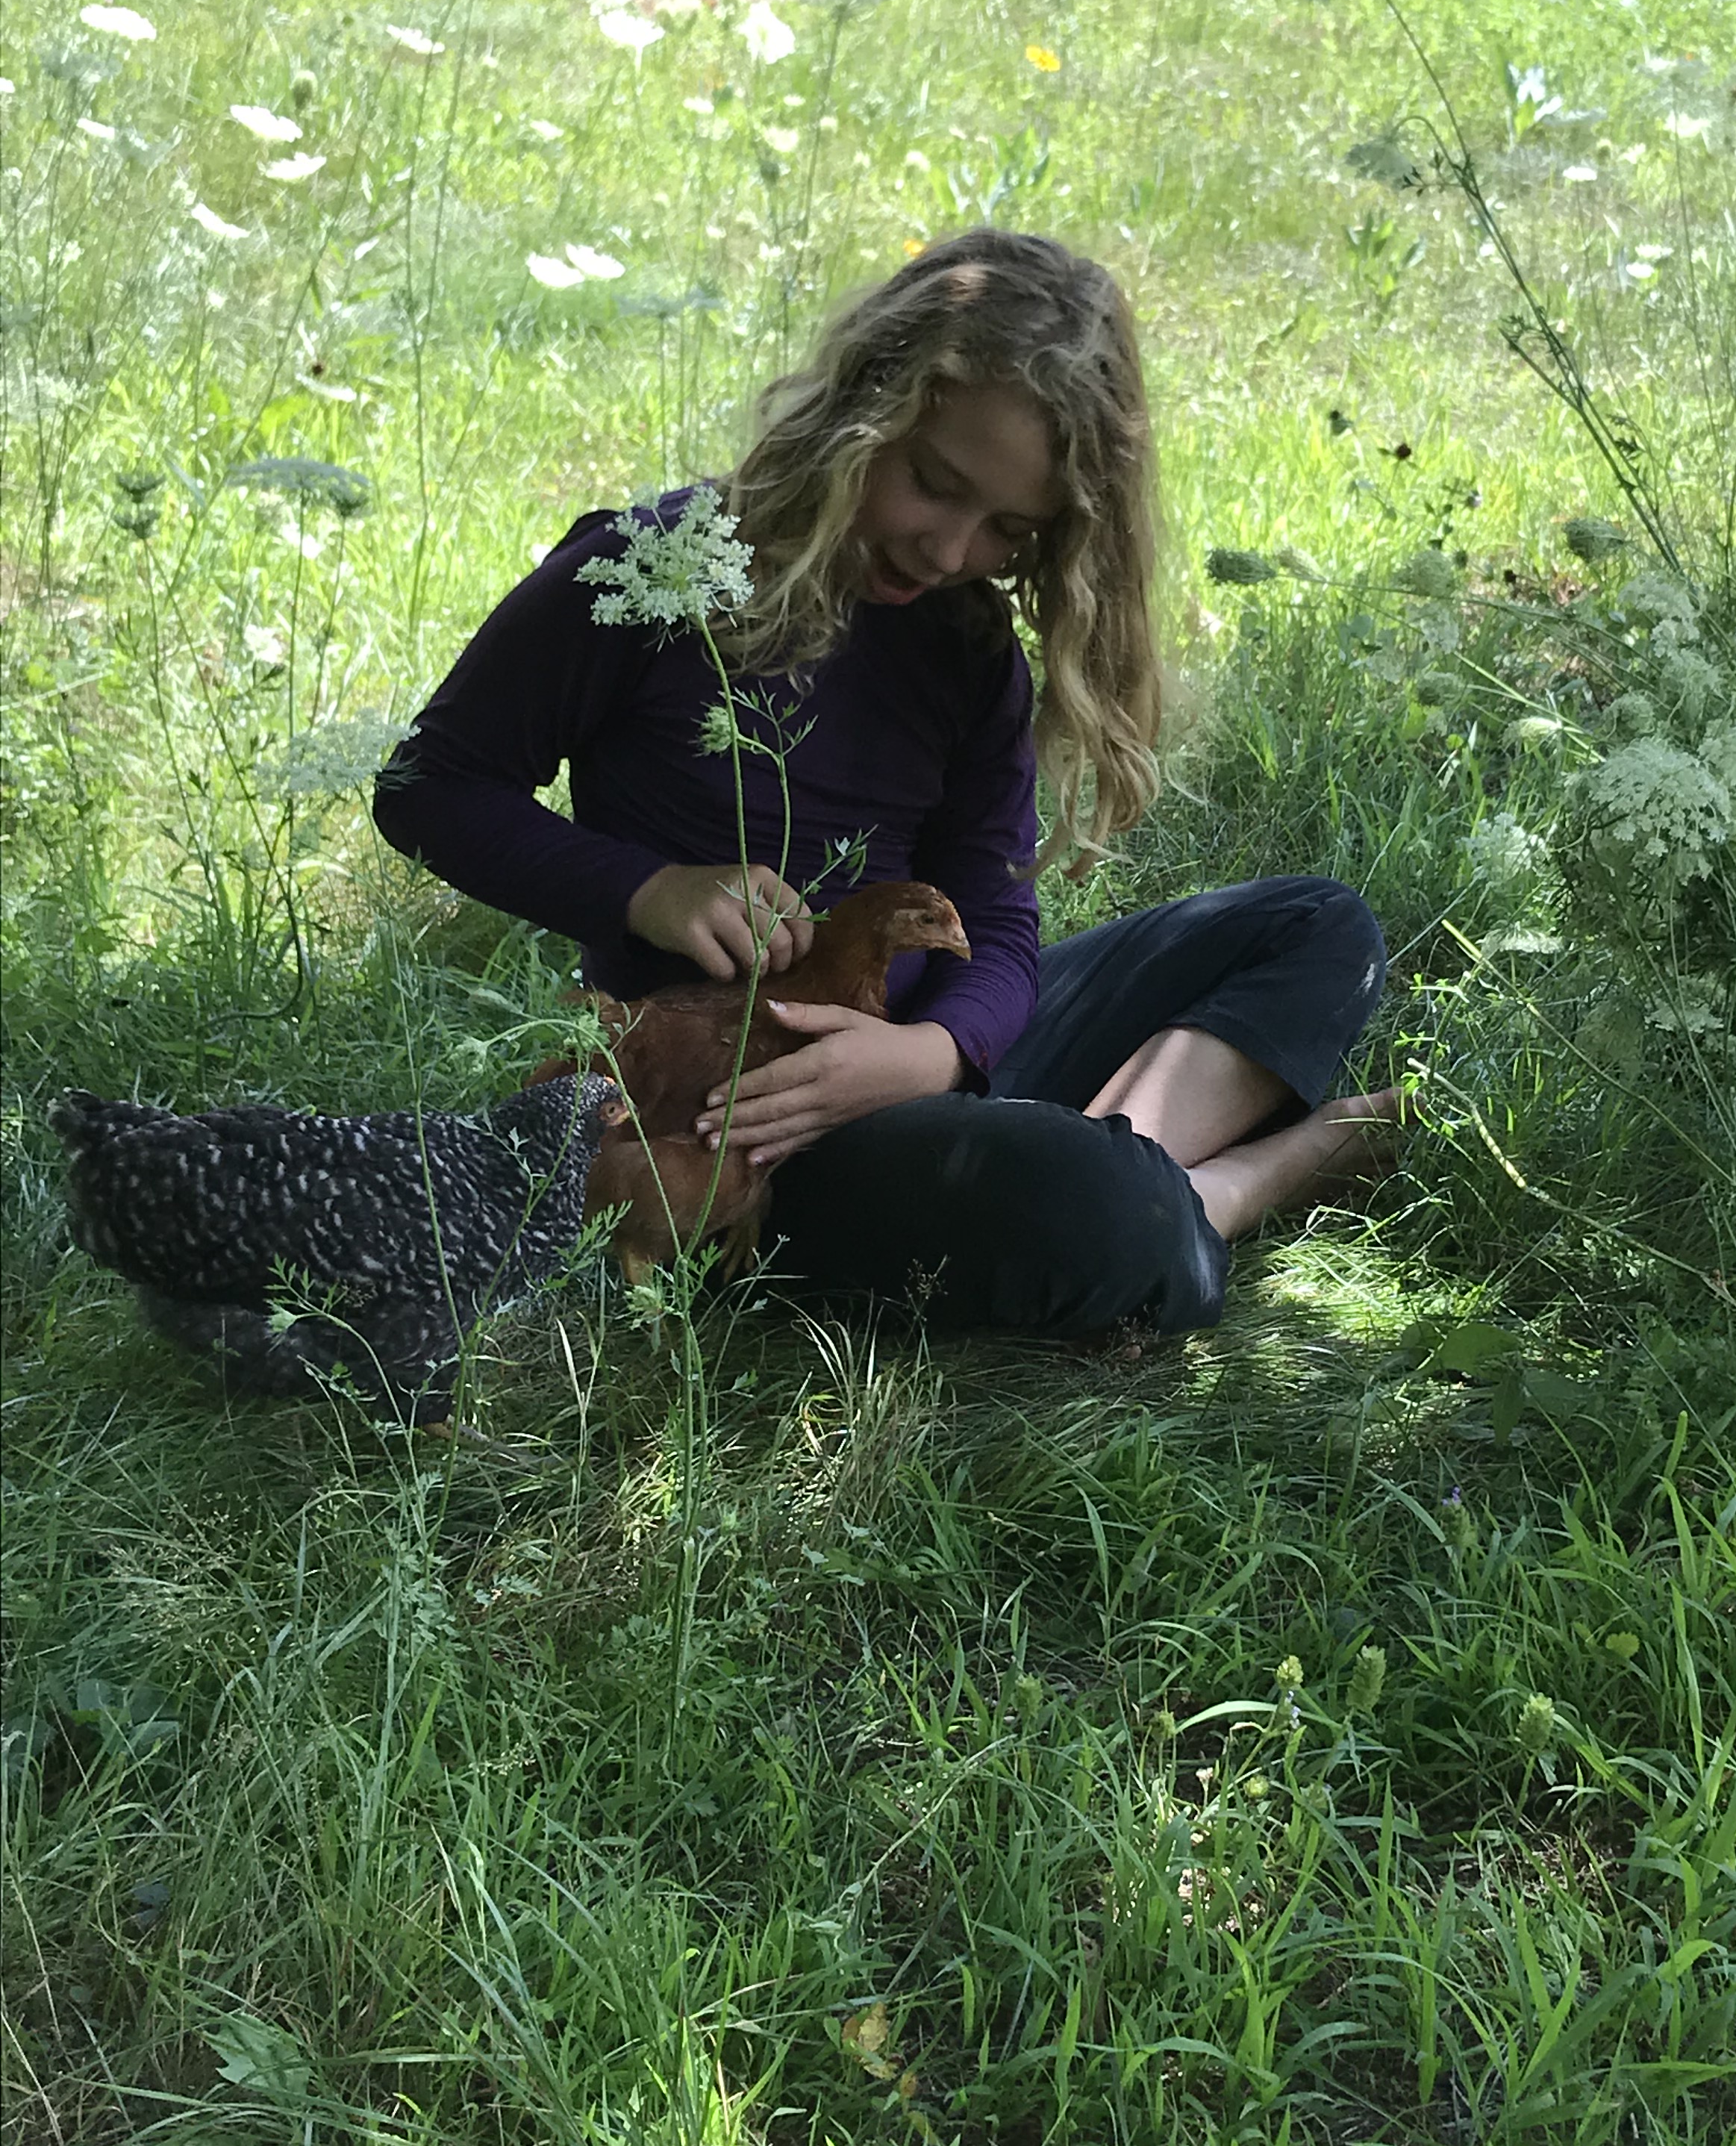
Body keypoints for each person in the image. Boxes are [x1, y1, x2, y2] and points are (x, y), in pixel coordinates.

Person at [372, 228, 1396, 1338]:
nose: (951, 550)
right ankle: (1227, 1185)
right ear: (863, 411)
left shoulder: (965, 648)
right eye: (933, 485)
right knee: (1113, 1213)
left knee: (1319, 927)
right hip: (748, 1136)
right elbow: (431, 787)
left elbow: (994, 923)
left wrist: (937, 1053)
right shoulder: (655, 574)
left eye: (1009, 529)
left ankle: (1098, 1166)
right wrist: (648, 890)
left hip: (922, 1063)